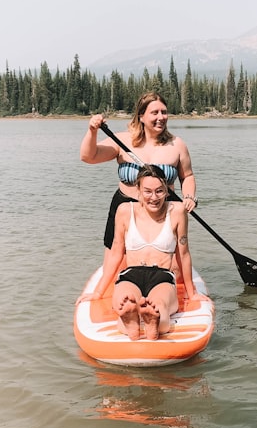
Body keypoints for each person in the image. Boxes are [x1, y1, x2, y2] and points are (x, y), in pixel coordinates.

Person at [76, 165, 208, 341]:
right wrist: (98, 292)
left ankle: (153, 320)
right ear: (138, 190)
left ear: (167, 191)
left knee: (159, 305)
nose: (154, 197)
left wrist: (192, 293)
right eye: (147, 191)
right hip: (130, 275)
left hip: (162, 276)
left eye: (159, 191)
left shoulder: (176, 211)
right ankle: (132, 320)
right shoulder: (125, 210)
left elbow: (183, 254)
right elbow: (115, 253)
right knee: (125, 303)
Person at [79, 92, 198, 253]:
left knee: (165, 259)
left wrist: (189, 196)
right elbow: (88, 156)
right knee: (117, 257)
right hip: (125, 209)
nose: (161, 117)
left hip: (163, 210)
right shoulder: (122, 140)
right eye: (154, 113)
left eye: (164, 112)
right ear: (141, 116)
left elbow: (187, 176)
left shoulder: (177, 145)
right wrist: (92, 131)